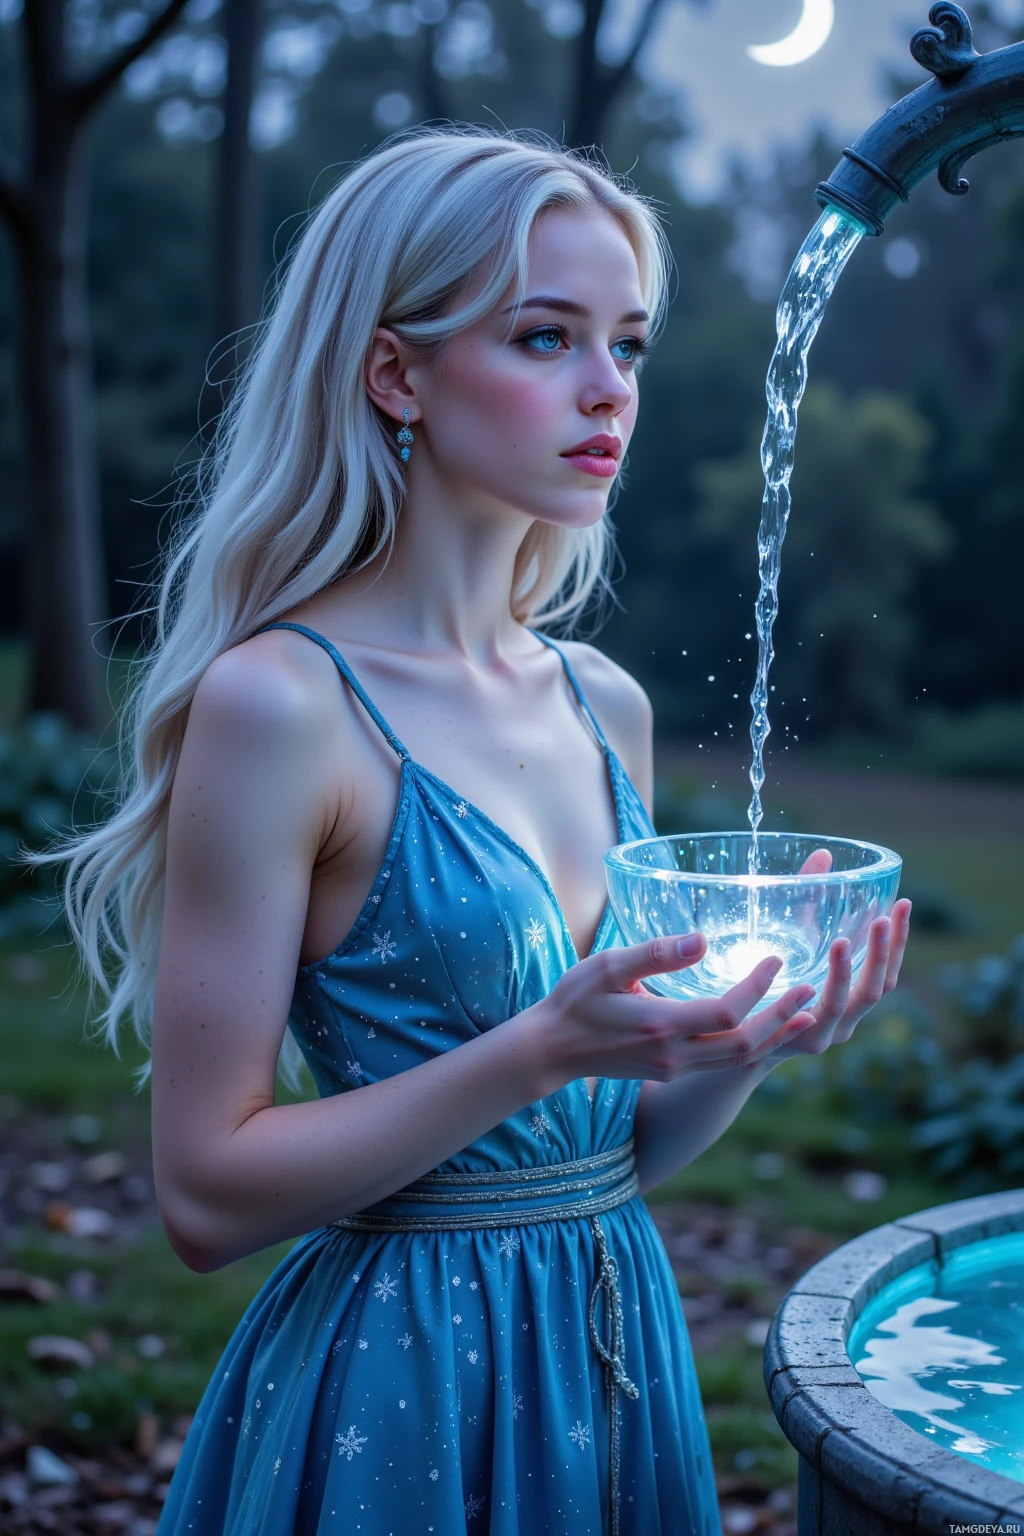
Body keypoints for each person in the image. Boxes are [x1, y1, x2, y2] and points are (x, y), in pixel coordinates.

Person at [45, 128, 911, 1535]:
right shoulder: (284, 706)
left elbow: (600, 1152)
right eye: (546, 336)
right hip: (403, 1389)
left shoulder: (600, 703)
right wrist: (541, 1045)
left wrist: (750, 1040)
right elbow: (205, 1191)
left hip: (614, 1352)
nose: (606, 392)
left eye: (626, 345)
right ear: (397, 372)